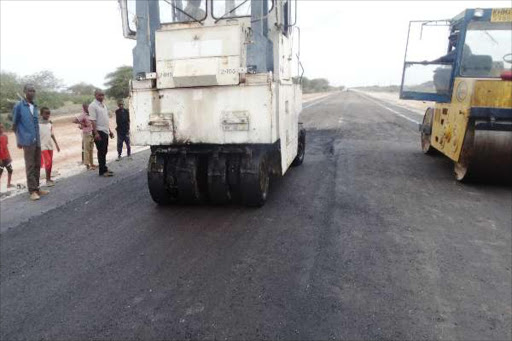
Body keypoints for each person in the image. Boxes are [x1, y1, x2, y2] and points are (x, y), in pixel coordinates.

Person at [12, 84, 49, 201]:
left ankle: (37, 188)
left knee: (38, 164)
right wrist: (19, 139)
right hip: (27, 141)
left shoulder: (35, 105)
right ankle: (32, 191)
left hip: (37, 140)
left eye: (33, 91)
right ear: (24, 92)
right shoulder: (19, 106)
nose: (32, 93)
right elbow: (14, 125)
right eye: (29, 91)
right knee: (30, 165)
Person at [88, 89, 115, 177]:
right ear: (95, 95)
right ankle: (102, 171)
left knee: (104, 151)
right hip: (98, 131)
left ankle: (104, 168)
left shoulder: (103, 105)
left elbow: (105, 119)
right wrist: (96, 133)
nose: (102, 97)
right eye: (100, 95)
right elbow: (93, 120)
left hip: (105, 130)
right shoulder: (93, 106)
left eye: (103, 95)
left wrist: (110, 131)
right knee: (101, 151)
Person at [39, 107, 60, 187]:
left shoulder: (50, 123)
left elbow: (52, 134)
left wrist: (56, 145)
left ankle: (49, 178)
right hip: (42, 145)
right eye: (46, 113)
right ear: (41, 114)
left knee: (50, 162)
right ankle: (47, 180)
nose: (48, 115)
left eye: (49, 113)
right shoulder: (38, 124)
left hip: (50, 145)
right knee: (48, 162)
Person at [74, 103, 96, 170]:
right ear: (84, 108)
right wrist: (82, 124)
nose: (88, 109)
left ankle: (92, 163)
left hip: (91, 133)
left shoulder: (90, 114)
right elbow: (75, 120)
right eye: (87, 107)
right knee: (86, 149)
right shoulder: (83, 115)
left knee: (91, 149)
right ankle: (87, 165)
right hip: (86, 133)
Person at [0, 123, 14, 189]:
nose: (1, 129)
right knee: (0, 171)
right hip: (0, 158)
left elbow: (5, 147)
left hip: (6, 157)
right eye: (0, 127)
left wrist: (9, 156)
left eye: (2, 127)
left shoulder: (5, 136)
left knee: (10, 170)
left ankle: (8, 184)